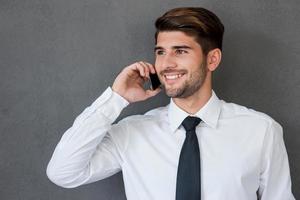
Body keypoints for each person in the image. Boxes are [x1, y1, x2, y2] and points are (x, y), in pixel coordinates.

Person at [46, 7, 295, 200]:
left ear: (212, 59)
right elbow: (63, 173)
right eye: (161, 52)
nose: (165, 64)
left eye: (181, 51)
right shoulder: (132, 132)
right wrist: (116, 98)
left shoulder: (261, 131)